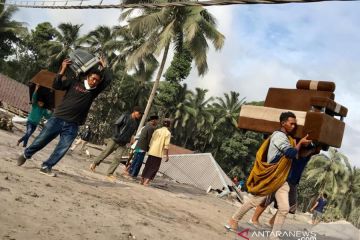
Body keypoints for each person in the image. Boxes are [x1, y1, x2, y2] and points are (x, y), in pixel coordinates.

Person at [17, 57, 112, 177]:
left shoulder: (94, 92)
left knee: (63, 148)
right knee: (41, 140)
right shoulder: (74, 82)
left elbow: (107, 80)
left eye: (97, 81)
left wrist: (104, 67)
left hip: (73, 124)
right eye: (93, 79)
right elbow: (56, 85)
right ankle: (26, 154)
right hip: (58, 118)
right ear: (88, 76)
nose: (95, 82)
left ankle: (47, 166)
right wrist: (63, 69)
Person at [226, 111, 311, 240]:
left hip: (282, 179)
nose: (294, 126)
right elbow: (290, 153)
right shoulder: (279, 136)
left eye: (295, 124)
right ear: (283, 123)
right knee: (255, 201)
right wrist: (300, 143)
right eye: (291, 123)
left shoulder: (289, 139)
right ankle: (234, 220)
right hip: (272, 177)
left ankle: (274, 236)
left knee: (284, 208)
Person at [248, 144, 321, 228]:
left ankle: (271, 222)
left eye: (309, 152)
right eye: (307, 151)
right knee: (267, 200)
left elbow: (317, 150)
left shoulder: (306, 157)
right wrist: (301, 143)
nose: (308, 153)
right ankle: (254, 219)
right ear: (302, 149)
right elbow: (295, 148)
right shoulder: (294, 153)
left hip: (293, 183)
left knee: (288, 205)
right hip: (281, 180)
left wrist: (313, 149)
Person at [90, 106, 142, 181]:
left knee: (118, 158)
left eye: (141, 114)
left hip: (123, 143)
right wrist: (117, 135)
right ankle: (94, 163)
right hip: (115, 140)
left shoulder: (136, 122)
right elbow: (116, 125)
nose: (139, 115)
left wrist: (131, 139)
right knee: (106, 153)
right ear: (134, 111)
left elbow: (132, 132)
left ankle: (110, 173)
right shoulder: (125, 116)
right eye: (139, 113)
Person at [140, 118, 171, 186]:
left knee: (147, 165)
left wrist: (150, 148)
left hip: (152, 151)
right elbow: (166, 145)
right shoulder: (168, 133)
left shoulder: (157, 130)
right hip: (158, 153)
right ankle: (146, 182)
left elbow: (151, 141)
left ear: (162, 124)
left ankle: (142, 180)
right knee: (154, 168)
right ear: (169, 125)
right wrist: (167, 155)